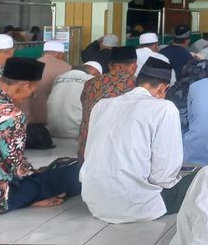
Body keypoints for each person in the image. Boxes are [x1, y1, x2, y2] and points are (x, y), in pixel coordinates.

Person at [81, 57, 193, 223]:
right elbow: (163, 177)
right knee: (200, 178)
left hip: (95, 202)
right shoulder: (164, 108)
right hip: (138, 205)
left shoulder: (102, 105)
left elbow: (88, 154)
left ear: (137, 81)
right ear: (164, 88)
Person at [0, 57, 81, 217]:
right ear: (23, 86)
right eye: (32, 90)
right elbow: (16, 167)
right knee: (73, 173)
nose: (31, 94)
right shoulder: (11, 114)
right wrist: (39, 176)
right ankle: (26, 198)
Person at [77, 46, 138, 160]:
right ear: (134, 66)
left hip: (85, 152)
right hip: (118, 157)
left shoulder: (90, 83)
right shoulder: (136, 85)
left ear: (110, 66)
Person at [46, 61, 101, 139]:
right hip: (77, 133)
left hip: (52, 130)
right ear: (96, 72)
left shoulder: (59, 77)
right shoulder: (92, 80)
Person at [25, 40, 72, 126]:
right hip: (54, 119)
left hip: (30, 117)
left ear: (43, 52)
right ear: (60, 54)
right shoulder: (66, 68)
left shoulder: (30, 65)